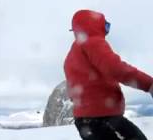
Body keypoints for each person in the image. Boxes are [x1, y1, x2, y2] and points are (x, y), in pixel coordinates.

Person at [64, 9, 153, 140]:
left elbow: (72, 89)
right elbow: (115, 68)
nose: (107, 30)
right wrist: (149, 84)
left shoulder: (71, 56)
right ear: (94, 25)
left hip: (84, 122)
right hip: (103, 118)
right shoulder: (93, 42)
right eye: (106, 25)